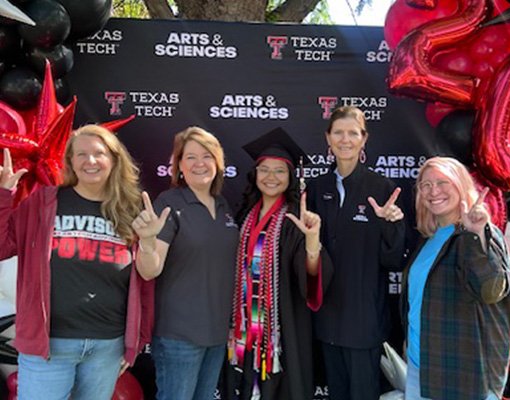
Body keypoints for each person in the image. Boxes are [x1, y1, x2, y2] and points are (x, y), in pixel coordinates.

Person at [0, 125, 155, 400]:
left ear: (114, 159)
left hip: (106, 346)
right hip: (49, 346)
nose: (90, 161)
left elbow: (145, 279)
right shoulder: (45, 202)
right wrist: (3, 196)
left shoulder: (131, 211)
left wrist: (134, 341)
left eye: (99, 153)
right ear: (69, 161)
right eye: (81, 154)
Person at [225, 128, 333, 400]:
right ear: (255, 174)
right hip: (243, 326)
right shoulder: (243, 216)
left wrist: (311, 242)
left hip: (281, 329)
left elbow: (311, 283)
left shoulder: (297, 220)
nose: (271, 177)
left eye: (280, 171)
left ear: (291, 177)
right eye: (265, 170)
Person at [307, 106, 406, 400]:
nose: (345, 139)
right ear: (328, 138)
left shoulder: (381, 187)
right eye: (338, 132)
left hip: (364, 322)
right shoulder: (315, 188)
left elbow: (392, 260)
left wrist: (391, 225)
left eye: (353, 133)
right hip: (326, 319)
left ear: (364, 139)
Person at [135, 126, 239, 400]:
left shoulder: (223, 206)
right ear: (179, 165)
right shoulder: (169, 203)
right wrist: (146, 242)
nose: (199, 164)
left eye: (206, 156)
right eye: (190, 157)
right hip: (179, 336)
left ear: (218, 163)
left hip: (216, 334)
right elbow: (150, 269)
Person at [403, 156, 510, 400]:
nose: (434, 191)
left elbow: (491, 289)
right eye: (426, 185)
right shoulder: (428, 239)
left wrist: (475, 237)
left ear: (460, 185)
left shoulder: (480, 233)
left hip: (464, 376)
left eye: (443, 182)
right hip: (421, 369)